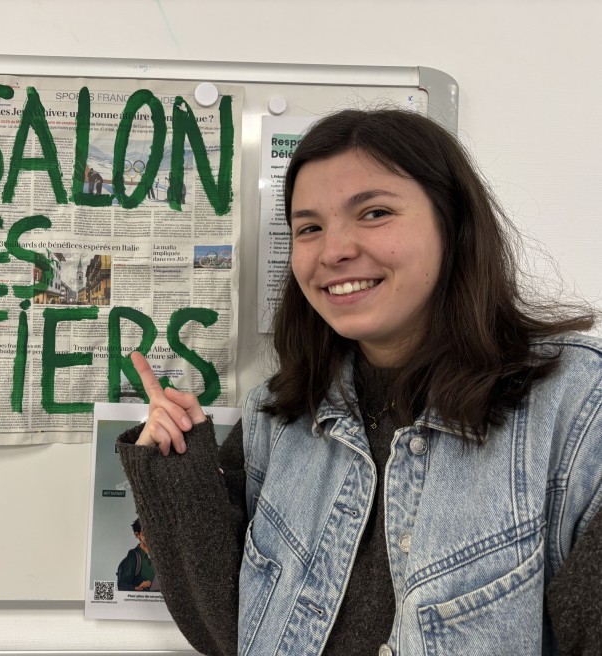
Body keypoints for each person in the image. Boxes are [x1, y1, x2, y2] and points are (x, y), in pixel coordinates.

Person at [118, 109, 601, 656]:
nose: (333, 251)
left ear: (454, 224)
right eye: (309, 228)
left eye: (374, 213)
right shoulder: (278, 414)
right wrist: (176, 465)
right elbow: (226, 628)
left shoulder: (578, 405)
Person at [115, 518, 159, 592]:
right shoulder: (133, 556)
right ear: (137, 535)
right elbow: (122, 585)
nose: (150, 537)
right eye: (145, 533)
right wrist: (138, 588)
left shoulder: (159, 555)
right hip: (141, 597)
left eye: (153, 532)